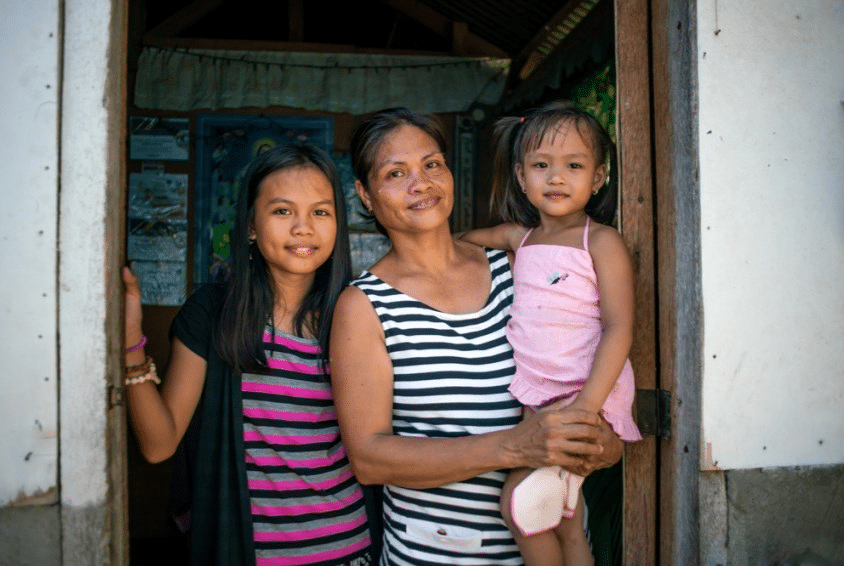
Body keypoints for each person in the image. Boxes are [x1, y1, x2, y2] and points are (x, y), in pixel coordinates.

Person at [328, 107, 625, 566]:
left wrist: (598, 442)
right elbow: (370, 458)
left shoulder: (520, 266)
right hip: (439, 554)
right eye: (395, 173)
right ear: (366, 196)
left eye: (432, 164)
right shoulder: (364, 306)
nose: (420, 182)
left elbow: (586, 370)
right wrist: (514, 445)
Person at [122, 144, 374, 566]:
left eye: (320, 212)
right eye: (282, 211)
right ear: (251, 227)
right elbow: (158, 445)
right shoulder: (213, 314)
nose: (303, 228)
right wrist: (130, 339)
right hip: (249, 552)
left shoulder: (356, 316)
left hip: (350, 549)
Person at [458, 101, 642, 566]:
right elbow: (458, 244)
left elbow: (619, 327)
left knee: (519, 505)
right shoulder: (519, 237)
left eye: (573, 166)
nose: (556, 177)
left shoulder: (600, 241)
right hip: (540, 396)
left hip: (583, 392)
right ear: (522, 176)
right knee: (562, 515)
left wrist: (586, 406)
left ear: (598, 177)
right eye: (542, 165)